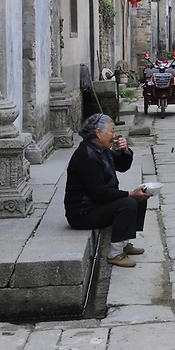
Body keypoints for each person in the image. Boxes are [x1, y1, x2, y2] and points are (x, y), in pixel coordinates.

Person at [64, 113, 150, 268]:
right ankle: (115, 253)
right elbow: (99, 193)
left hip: (97, 204)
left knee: (140, 198)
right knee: (128, 203)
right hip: (83, 213)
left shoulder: (101, 149)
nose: (114, 135)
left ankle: (124, 243)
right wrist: (129, 194)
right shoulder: (86, 155)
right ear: (98, 133)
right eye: (111, 131)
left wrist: (125, 151)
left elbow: (122, 166)